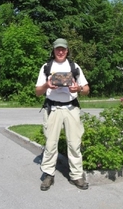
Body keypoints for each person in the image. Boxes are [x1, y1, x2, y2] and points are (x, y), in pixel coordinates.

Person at [35, 38, 90, 191]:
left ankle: (76, 175)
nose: (60, 51)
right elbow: (38, 92)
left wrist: (77, 88)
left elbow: (86, 89)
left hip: (71, 109)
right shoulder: (46, 67)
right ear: (53, 50)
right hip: (52, 109)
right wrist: (47, 85)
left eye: (63, 49)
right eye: (57, 49)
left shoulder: (74, 67)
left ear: (67, 51)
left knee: (74, 143)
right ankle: (48, 175)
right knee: (51, 144)